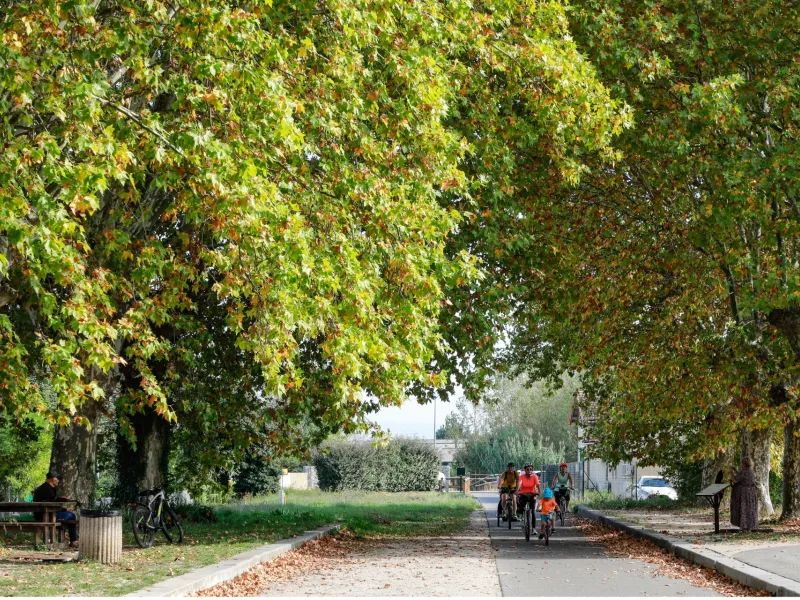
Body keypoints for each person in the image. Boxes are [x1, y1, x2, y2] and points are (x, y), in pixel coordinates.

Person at [32, 471, 78, 548]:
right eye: (57, 479)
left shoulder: (42, 488)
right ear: (53, 479)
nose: (58, 481)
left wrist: (63, 508)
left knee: (67, 517)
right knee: (72, 515)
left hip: (40, 516)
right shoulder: (48, 489)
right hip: (47, 516)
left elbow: (52, 501)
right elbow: (52, 504)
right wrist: (65, 510)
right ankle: (73, 541)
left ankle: (70, 539)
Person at [730, 456, 758, 531]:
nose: (741, 465)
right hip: (751, 492)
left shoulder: (744, 471)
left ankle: (744, 526)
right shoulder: (751, 471)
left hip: (745, 493)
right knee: (750, 509)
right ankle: (751, 525)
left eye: (742, 463)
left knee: (744, 508)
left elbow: (735, 480)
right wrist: (736, 470)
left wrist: (731, 474)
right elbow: (742, 477)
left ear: (744, 464)